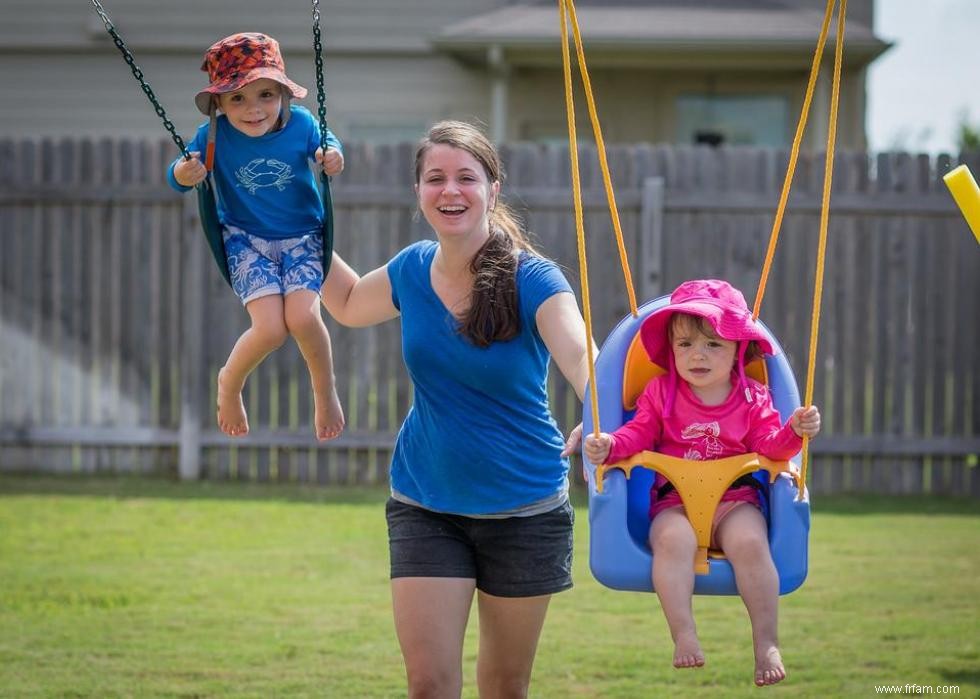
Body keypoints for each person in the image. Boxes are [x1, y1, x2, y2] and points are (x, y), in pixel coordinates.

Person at [320, 120, 592, 698]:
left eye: (467, 178)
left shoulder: (533, 278)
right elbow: (343, 302)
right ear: (419, 193)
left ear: (493, 190)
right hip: (426, 502)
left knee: (503, 686)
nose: (451, 191)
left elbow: (581, 357)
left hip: (525, 510)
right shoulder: (412, 268)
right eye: (435, 178)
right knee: (427, 684)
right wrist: (300, 232)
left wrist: (600, 410)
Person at [584, 279, 821, 687]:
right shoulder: (660, 393)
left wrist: (795, 430)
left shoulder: (754, 398)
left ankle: (766, 641)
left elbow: (772, 447)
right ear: (671, 351)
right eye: (685, 344)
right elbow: (637, 434)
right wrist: (610, 444)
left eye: (713, 345)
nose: (698, 355)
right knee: (672, 541)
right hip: (673, 501)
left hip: (735, 499)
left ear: (737, 352)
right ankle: (684, 633)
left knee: (749, 541)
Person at [167, 32, 345, 440]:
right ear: (219, 105)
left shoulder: (301, 125)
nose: (253, 109)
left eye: (266, 94)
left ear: (284, 92)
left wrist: (330, 157)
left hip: (303, 237)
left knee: (303, 317)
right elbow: (178, 174)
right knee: (270, 329)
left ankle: (325, 390)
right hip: (246, 240)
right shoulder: (214, 136)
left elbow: (330, 146)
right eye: (237, 99)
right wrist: (183, 173)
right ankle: (229, 383)